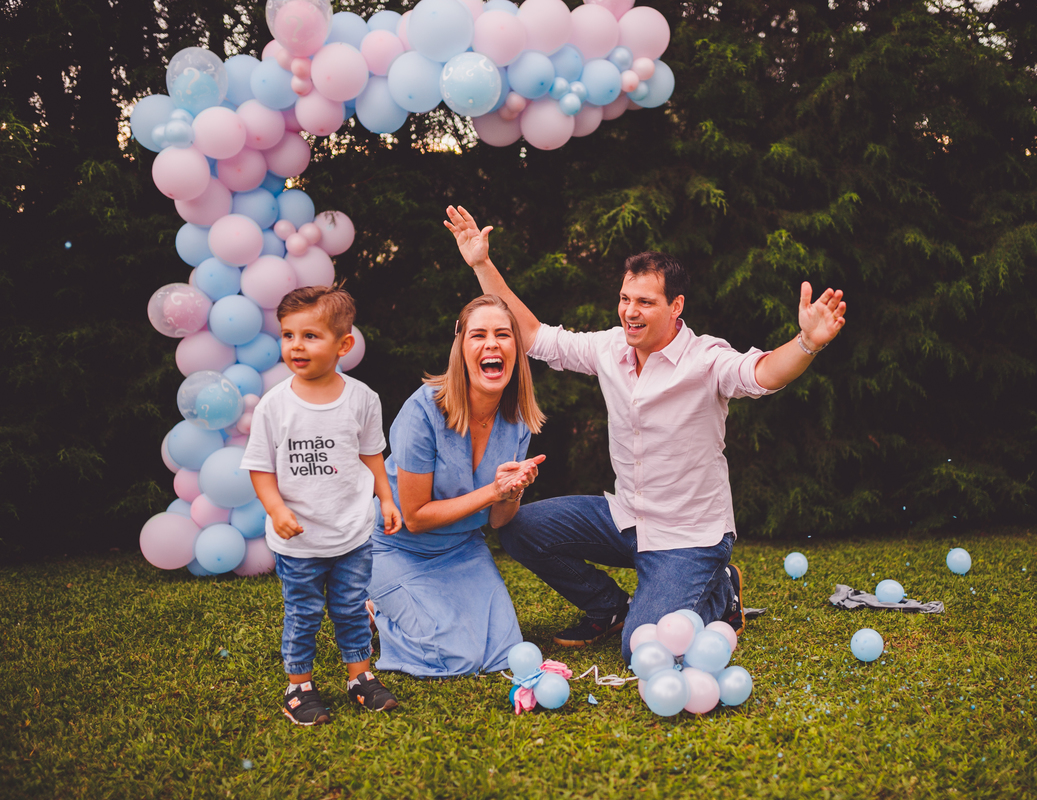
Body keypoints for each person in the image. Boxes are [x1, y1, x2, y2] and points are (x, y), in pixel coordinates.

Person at [444, 205, 848, 663]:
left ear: (676, 306)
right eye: (624, 299)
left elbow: (764, 373)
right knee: (517, 528)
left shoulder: (707, 359)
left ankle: (721, 588)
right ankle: (609, 608)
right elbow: (534, 335)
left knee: (641, 650)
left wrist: (808, 342)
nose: (629, 313)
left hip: (688, 536)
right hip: (628, 518)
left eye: (644, 303)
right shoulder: (610, 347)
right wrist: (481, 263)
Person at [241, 285, 403, 726]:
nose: (296, 345)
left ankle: (360, 677)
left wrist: (385, 498)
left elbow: (372, 455)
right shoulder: (275, 405)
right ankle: (299, 688)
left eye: (310, 336)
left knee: (352, 607)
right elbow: (260, 468)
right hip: (300, 541)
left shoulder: (362, 399)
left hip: (352, 532)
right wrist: (276, 510)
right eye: (288, 335)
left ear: (343, 345)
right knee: (304, 613)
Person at [368, 294, 547, 677]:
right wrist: (494, 492)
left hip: (461, 549)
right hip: (396, 546)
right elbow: (414, 518)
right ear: (461, 348)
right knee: (456, 658)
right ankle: (371, 605)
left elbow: (498, 521)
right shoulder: (422, 412)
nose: (492, 344)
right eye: (478, 335)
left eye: (503, 334)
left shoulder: (517, 419)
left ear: (516, 347)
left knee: (504, 653)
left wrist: (513, 490)